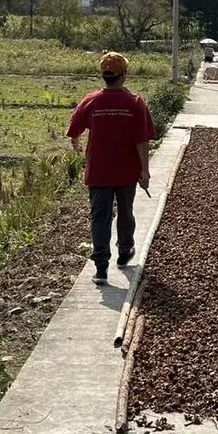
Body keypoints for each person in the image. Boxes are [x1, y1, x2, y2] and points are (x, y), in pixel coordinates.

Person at [67, 52, 155, 283]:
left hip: (98, 170)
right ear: (123, 75)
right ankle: (124, 250)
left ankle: (101, 267)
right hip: (126, 171)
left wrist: (76, 142)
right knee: (125, 211)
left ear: (103, 75)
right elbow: (142, 140)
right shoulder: (134, 103)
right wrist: (144, 171)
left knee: (100, 217)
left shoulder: (91, 101)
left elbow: (75, 129)